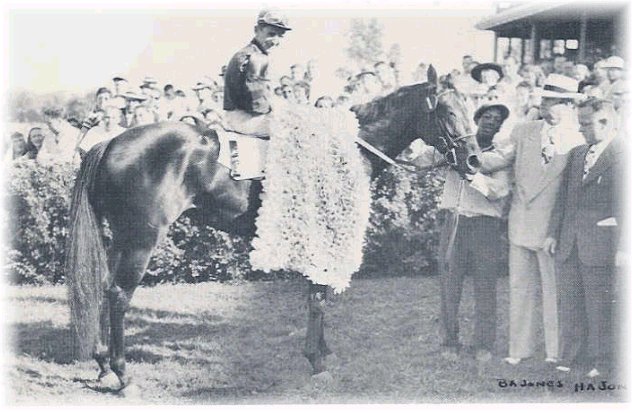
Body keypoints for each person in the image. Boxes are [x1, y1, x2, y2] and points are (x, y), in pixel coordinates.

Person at [405, 103, 513, 362]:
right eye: (486, 116)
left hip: (485, 226)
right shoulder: (456, 147)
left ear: (500, 126)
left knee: (485, 287)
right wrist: (424, 144)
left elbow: (498, 191)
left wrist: (469, 172)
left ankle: (483, 345)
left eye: (496, 120)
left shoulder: (502, 154)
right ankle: (449, 342)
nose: (490, 122)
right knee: (449, 287)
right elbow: (420, 162)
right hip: (454, 223)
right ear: (476, 120)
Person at [501, 74, 585, 366]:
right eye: (545, 100)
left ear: (568, 105)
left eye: (552, 101)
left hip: (552, 229)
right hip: (520, 222)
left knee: (554, 291)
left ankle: (554, 351)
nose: (545, 105)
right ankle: (518, 349)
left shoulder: (579, 140)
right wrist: (468, 159)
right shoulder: (523, 131)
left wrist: (560, 229)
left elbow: (572, 193)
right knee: (519, 288)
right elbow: (500, 159)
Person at [545, 98, 624, 378]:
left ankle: (602, 360)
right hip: (570, 241)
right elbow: (564, 199)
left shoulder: (624, 154)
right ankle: (571, 356)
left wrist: (624, 246)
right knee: (570, 300)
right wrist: (554, 233)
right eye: (580, 124)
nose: (581, 130)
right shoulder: (578, 153)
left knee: (600, 304)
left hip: (603, 244)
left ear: (606, 122)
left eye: (586, 124)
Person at [222, 9, 291, 138]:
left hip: (239, 116)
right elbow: (256, 104)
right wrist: (272, 110)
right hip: (244, 118)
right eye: (271, 34)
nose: (275, 40)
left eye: (280, 36)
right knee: (295, 130)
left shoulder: (252, 53)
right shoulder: (256, 57)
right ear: (256, 30)